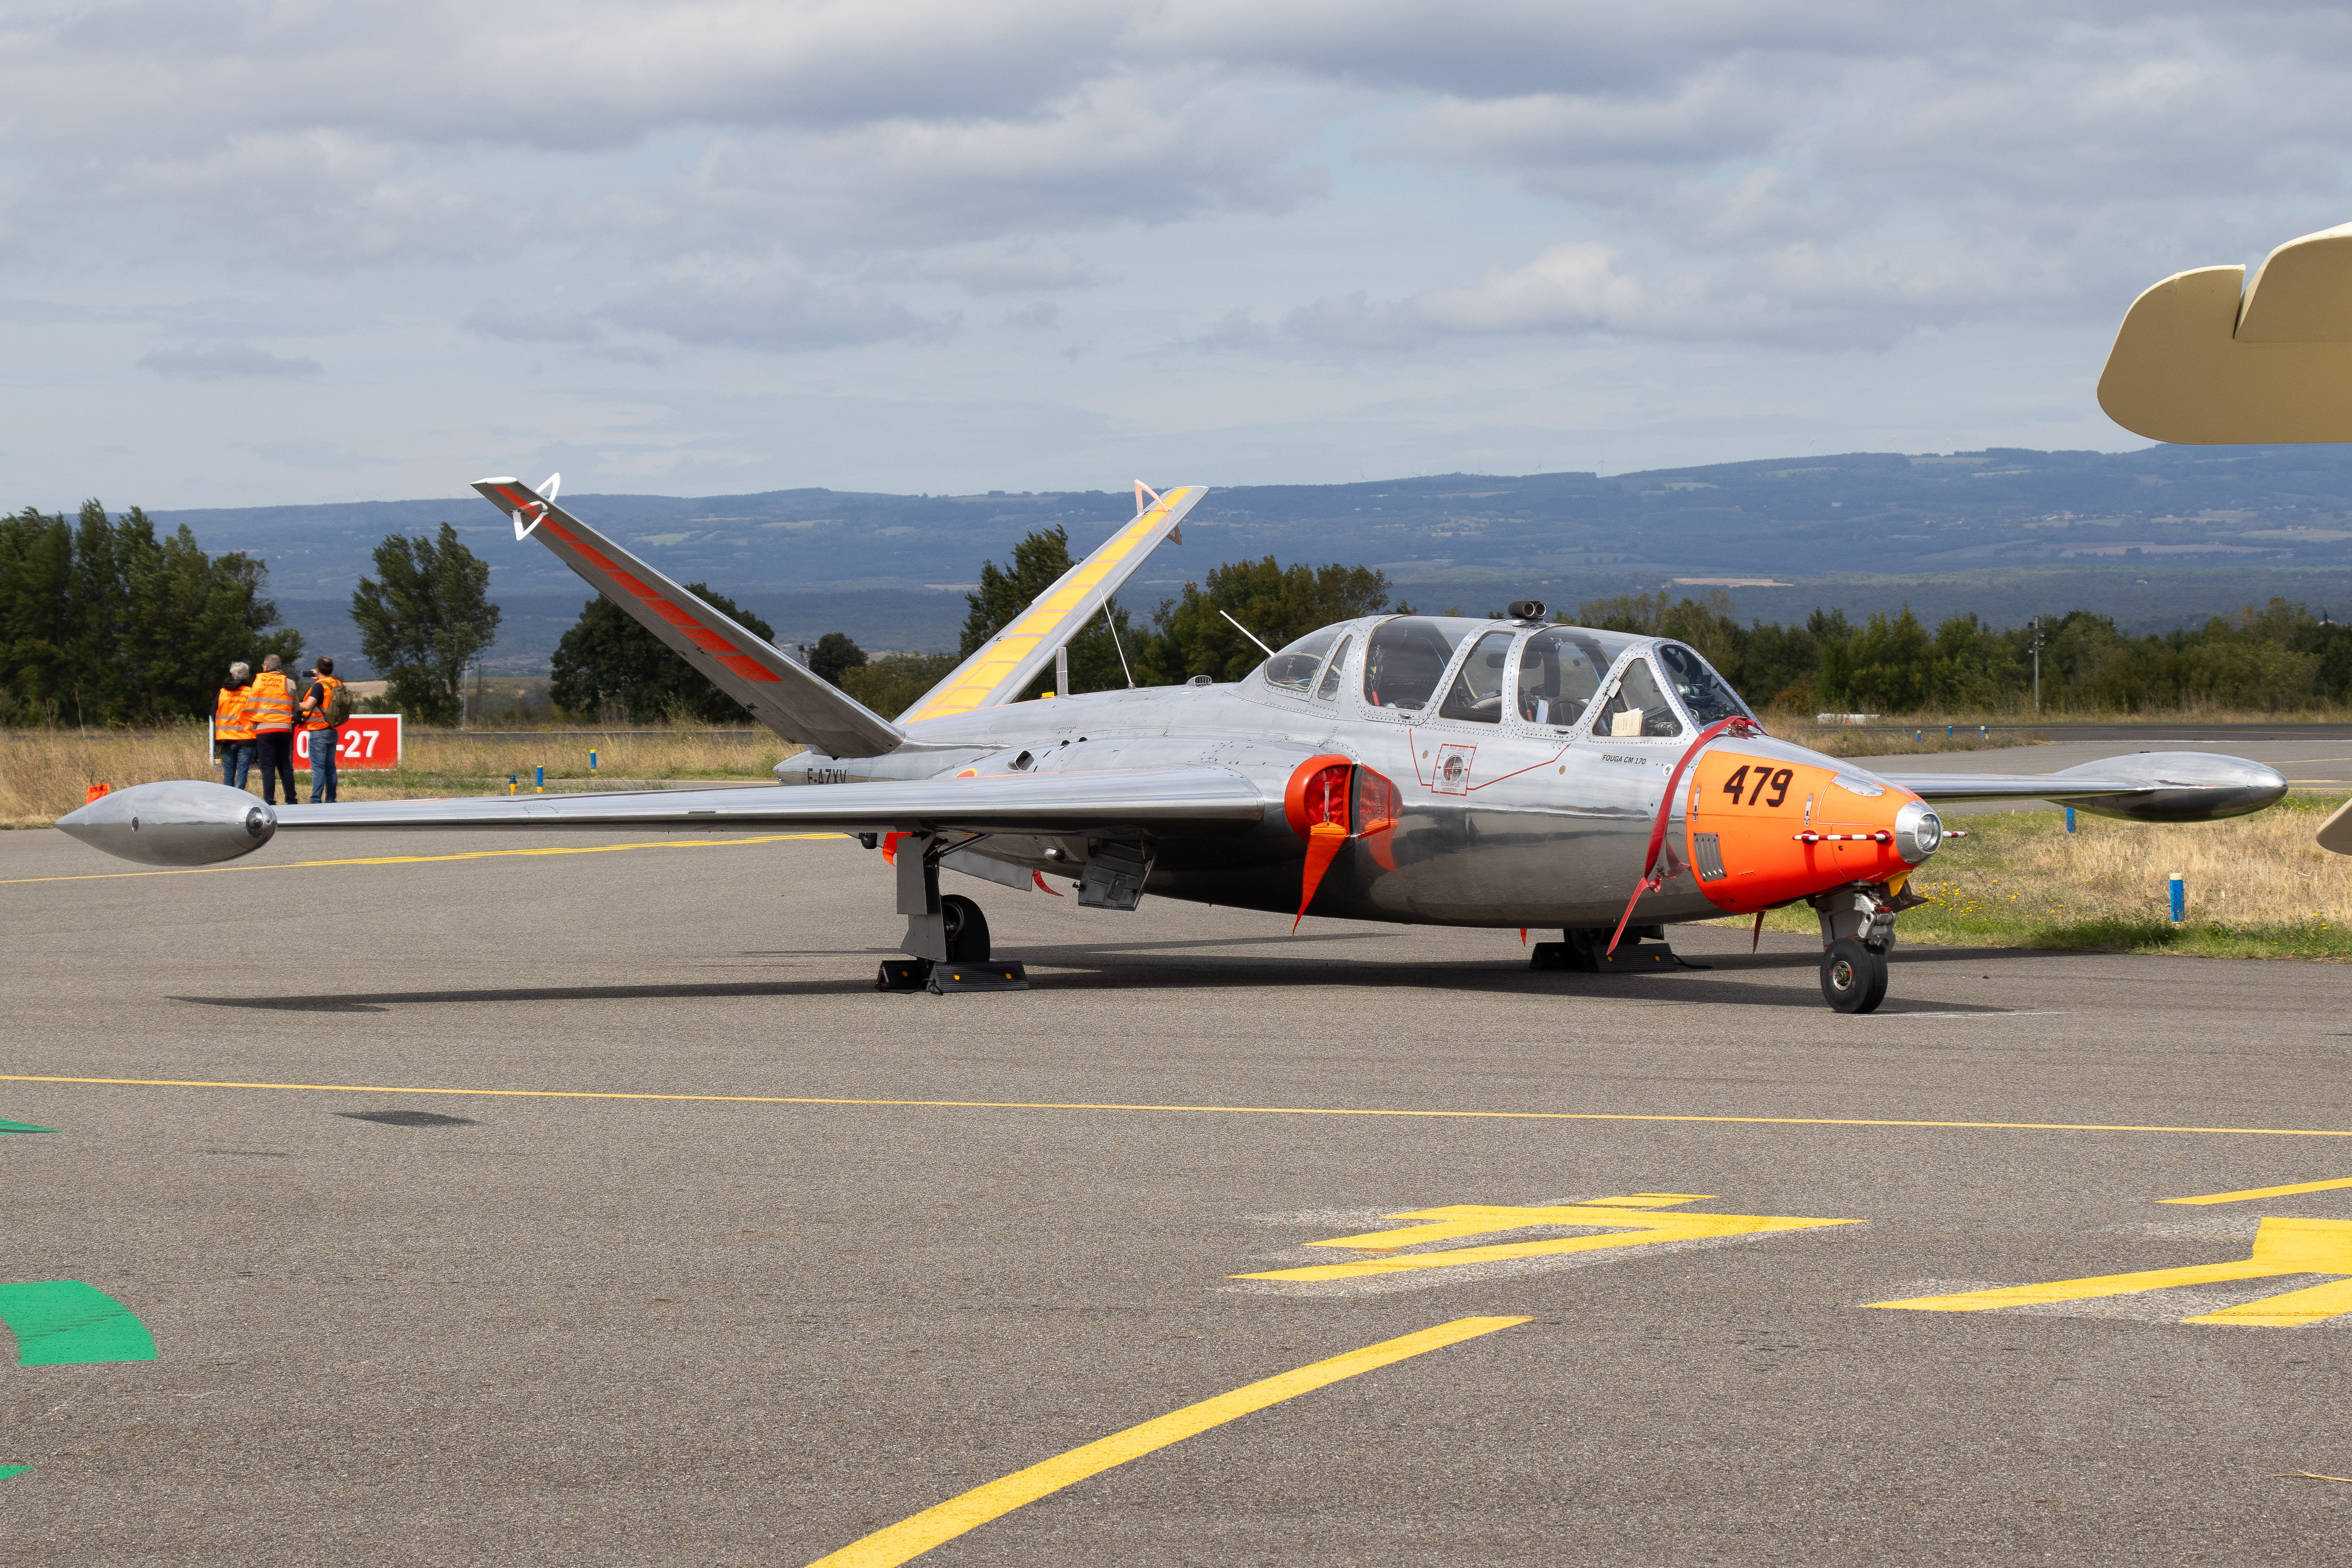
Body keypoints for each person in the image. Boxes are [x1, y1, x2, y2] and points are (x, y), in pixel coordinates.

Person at [247, 653, 299, 805]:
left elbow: (251, 705)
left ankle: (269, 801)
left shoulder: (258, 682)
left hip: (264, 730)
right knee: (285, 766)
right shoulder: (288, 682)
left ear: (267, 667)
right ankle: (291, 799)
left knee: (268, 768)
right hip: (284, 729)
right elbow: (295, 707)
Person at [300, 656, 345, 803]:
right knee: (331, 768)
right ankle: (331, 799)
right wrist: (319, 680)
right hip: (333, 730)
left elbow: (308, 706)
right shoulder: (337, 684)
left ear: (318, 670)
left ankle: (315, 800)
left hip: (319, 731)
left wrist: (292, 705)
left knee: (318, 769)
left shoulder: (319, 687)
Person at [214, 662, 256, 789]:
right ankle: (239, 798)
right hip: (247, 739)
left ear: (233, 676)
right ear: (247, 677)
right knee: (242, 774)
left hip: (227, 739)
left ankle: (228, 801)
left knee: (228, 775)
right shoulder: (252, 693)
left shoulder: (222, 693)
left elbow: (213, 713)